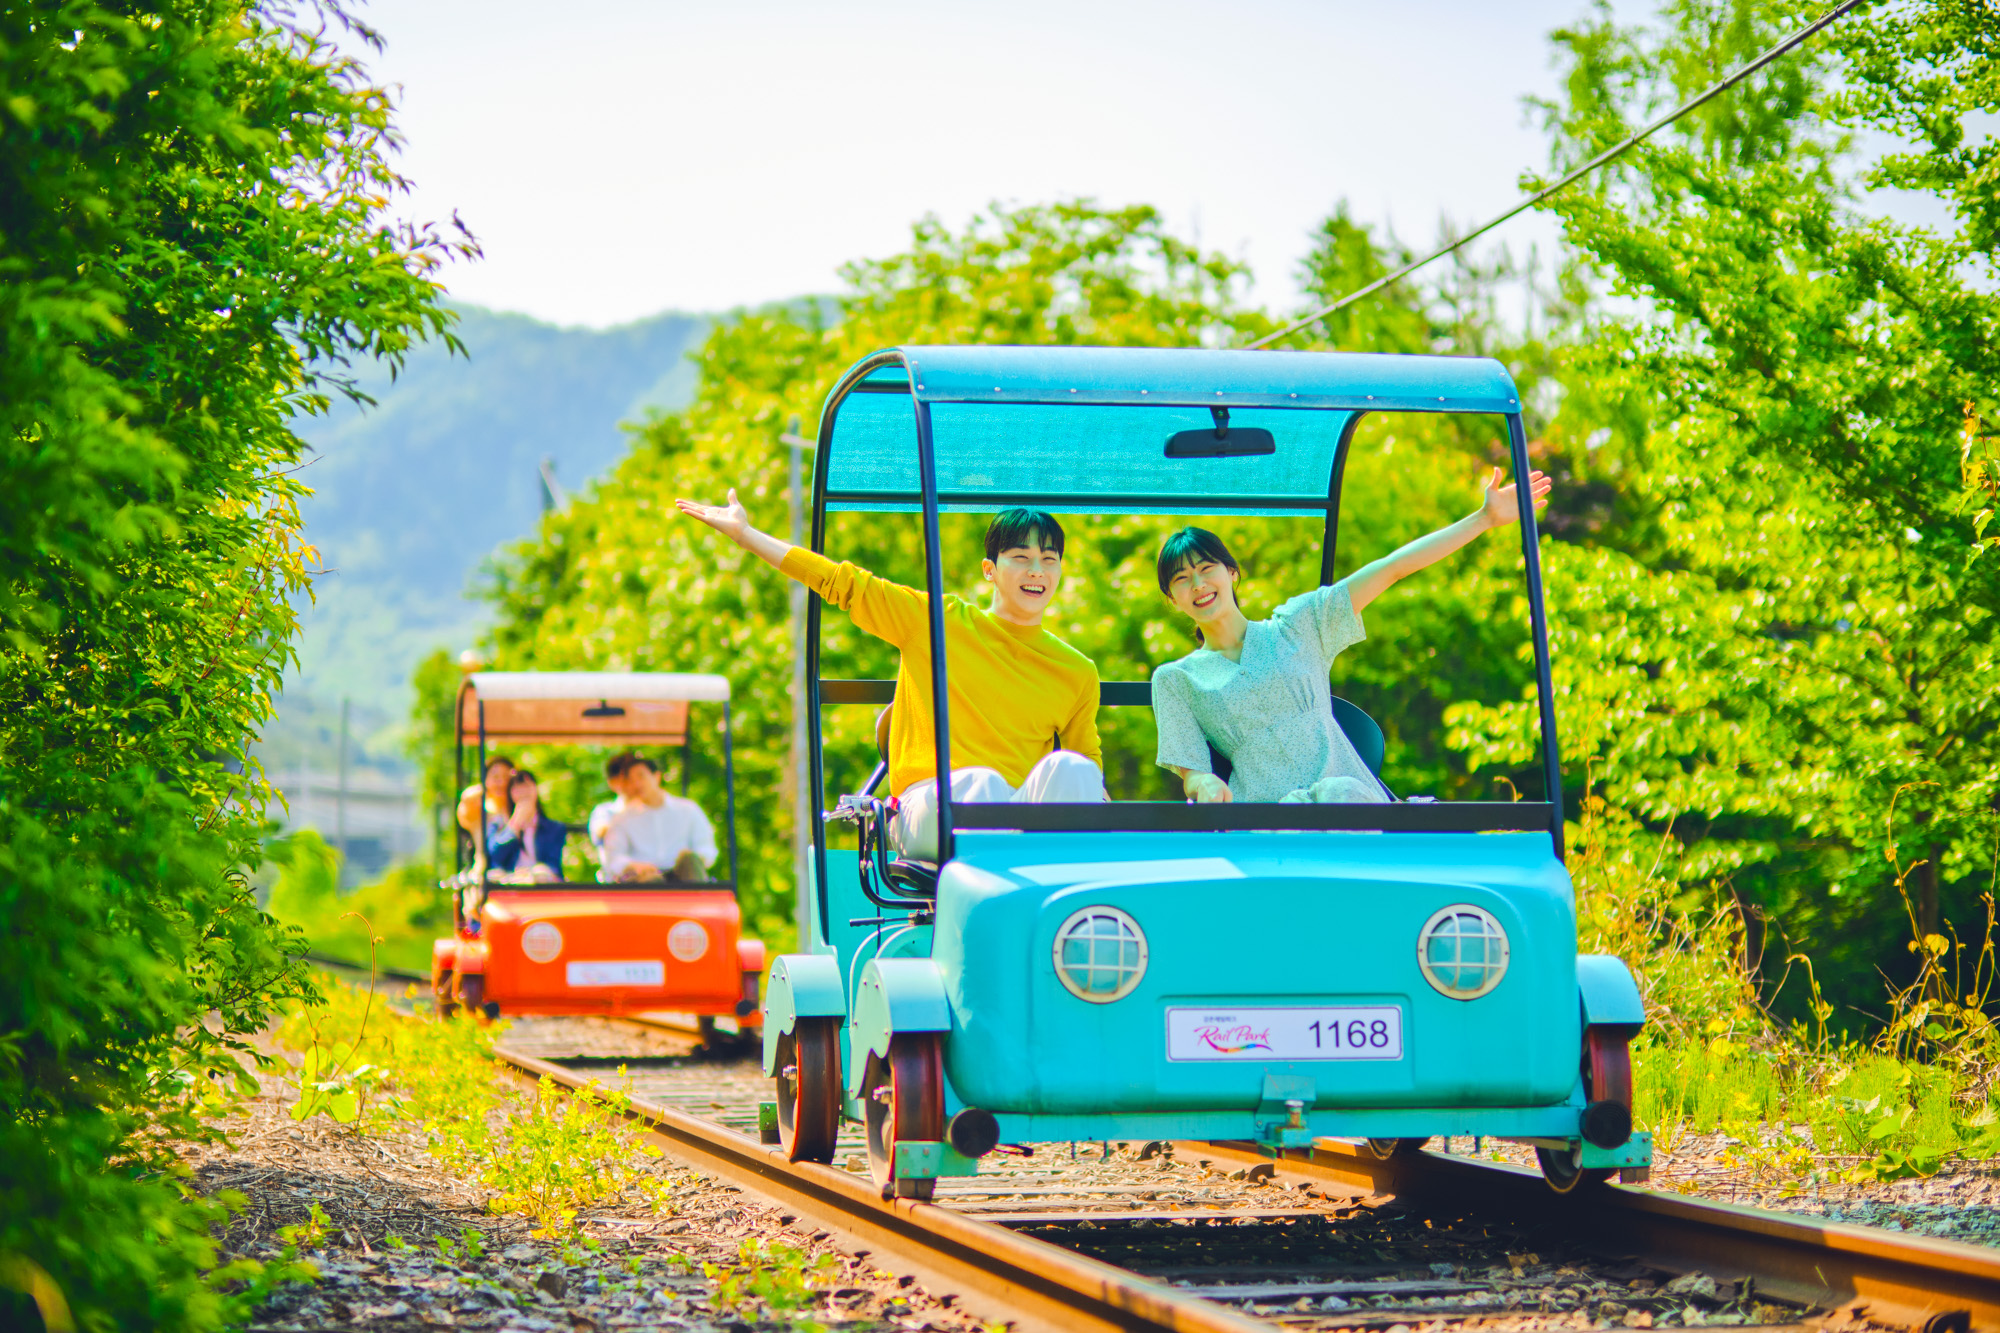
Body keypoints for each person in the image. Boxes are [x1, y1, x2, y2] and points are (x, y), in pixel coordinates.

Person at [675, 492, 1103, 857]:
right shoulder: (936, 620)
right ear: (989, 569)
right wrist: (746, 536)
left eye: (1049, 560)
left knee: (1074, 770)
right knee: (980, 784)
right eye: (1021, 558)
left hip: (1017, 817)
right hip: (930, 808)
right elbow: (841, 583)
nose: (1036, 571)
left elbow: (1089, 775)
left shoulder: (1077, 671)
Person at [1152, 465, 1552, 805]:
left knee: (1339, 794)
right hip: (1268, 819)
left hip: (1349, 806)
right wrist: (1203, 782)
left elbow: (1392, 567)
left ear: (1231, 572)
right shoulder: (1176, 679)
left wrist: (1483, 518)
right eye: (1182, 579)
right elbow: (1191, 771)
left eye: (1206, 568)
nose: (1198, 584)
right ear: (1173, 598)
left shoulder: (1298, 624)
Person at [602, 754, 716, 882]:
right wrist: (633, 866)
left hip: (683, 878)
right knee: (651, 882)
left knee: (690, 862)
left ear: (657, 776)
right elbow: (614, 857)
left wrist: (690, 857)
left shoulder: (688, 810)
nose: (637, 784)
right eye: (631, 780)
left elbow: (707, 849)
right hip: (644, 880)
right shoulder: (622, 819)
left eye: (641, 776)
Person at [487, 769, 568, 883]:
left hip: (541, 884)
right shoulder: (498, 825)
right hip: (510, 882)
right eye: (517, 788)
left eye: (527, 786)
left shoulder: (554, 828)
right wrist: (514, 826)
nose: (523, 792)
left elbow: (552, 864)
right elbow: (495, 855)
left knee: (542, 873)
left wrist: (532, 873)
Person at [455, 755, 516, 871]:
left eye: (506, 777)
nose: (502, 782)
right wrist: (488, 788)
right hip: (486, 873)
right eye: (496, 777)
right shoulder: (479, 812)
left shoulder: (517, 811)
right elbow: (466, 798)